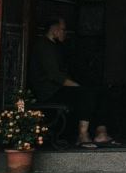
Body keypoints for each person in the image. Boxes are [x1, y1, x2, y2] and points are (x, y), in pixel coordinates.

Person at [29, 18, 118, 148]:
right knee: (87, 94)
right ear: (54, 30)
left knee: (100, 92)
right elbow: (55, 76)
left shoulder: (57, 46)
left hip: (60, 89)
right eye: (63, 30)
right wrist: (78, 87)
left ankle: (101, 133)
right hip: (49, 92)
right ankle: (82, 135)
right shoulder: (43, 46)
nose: (65, 33)